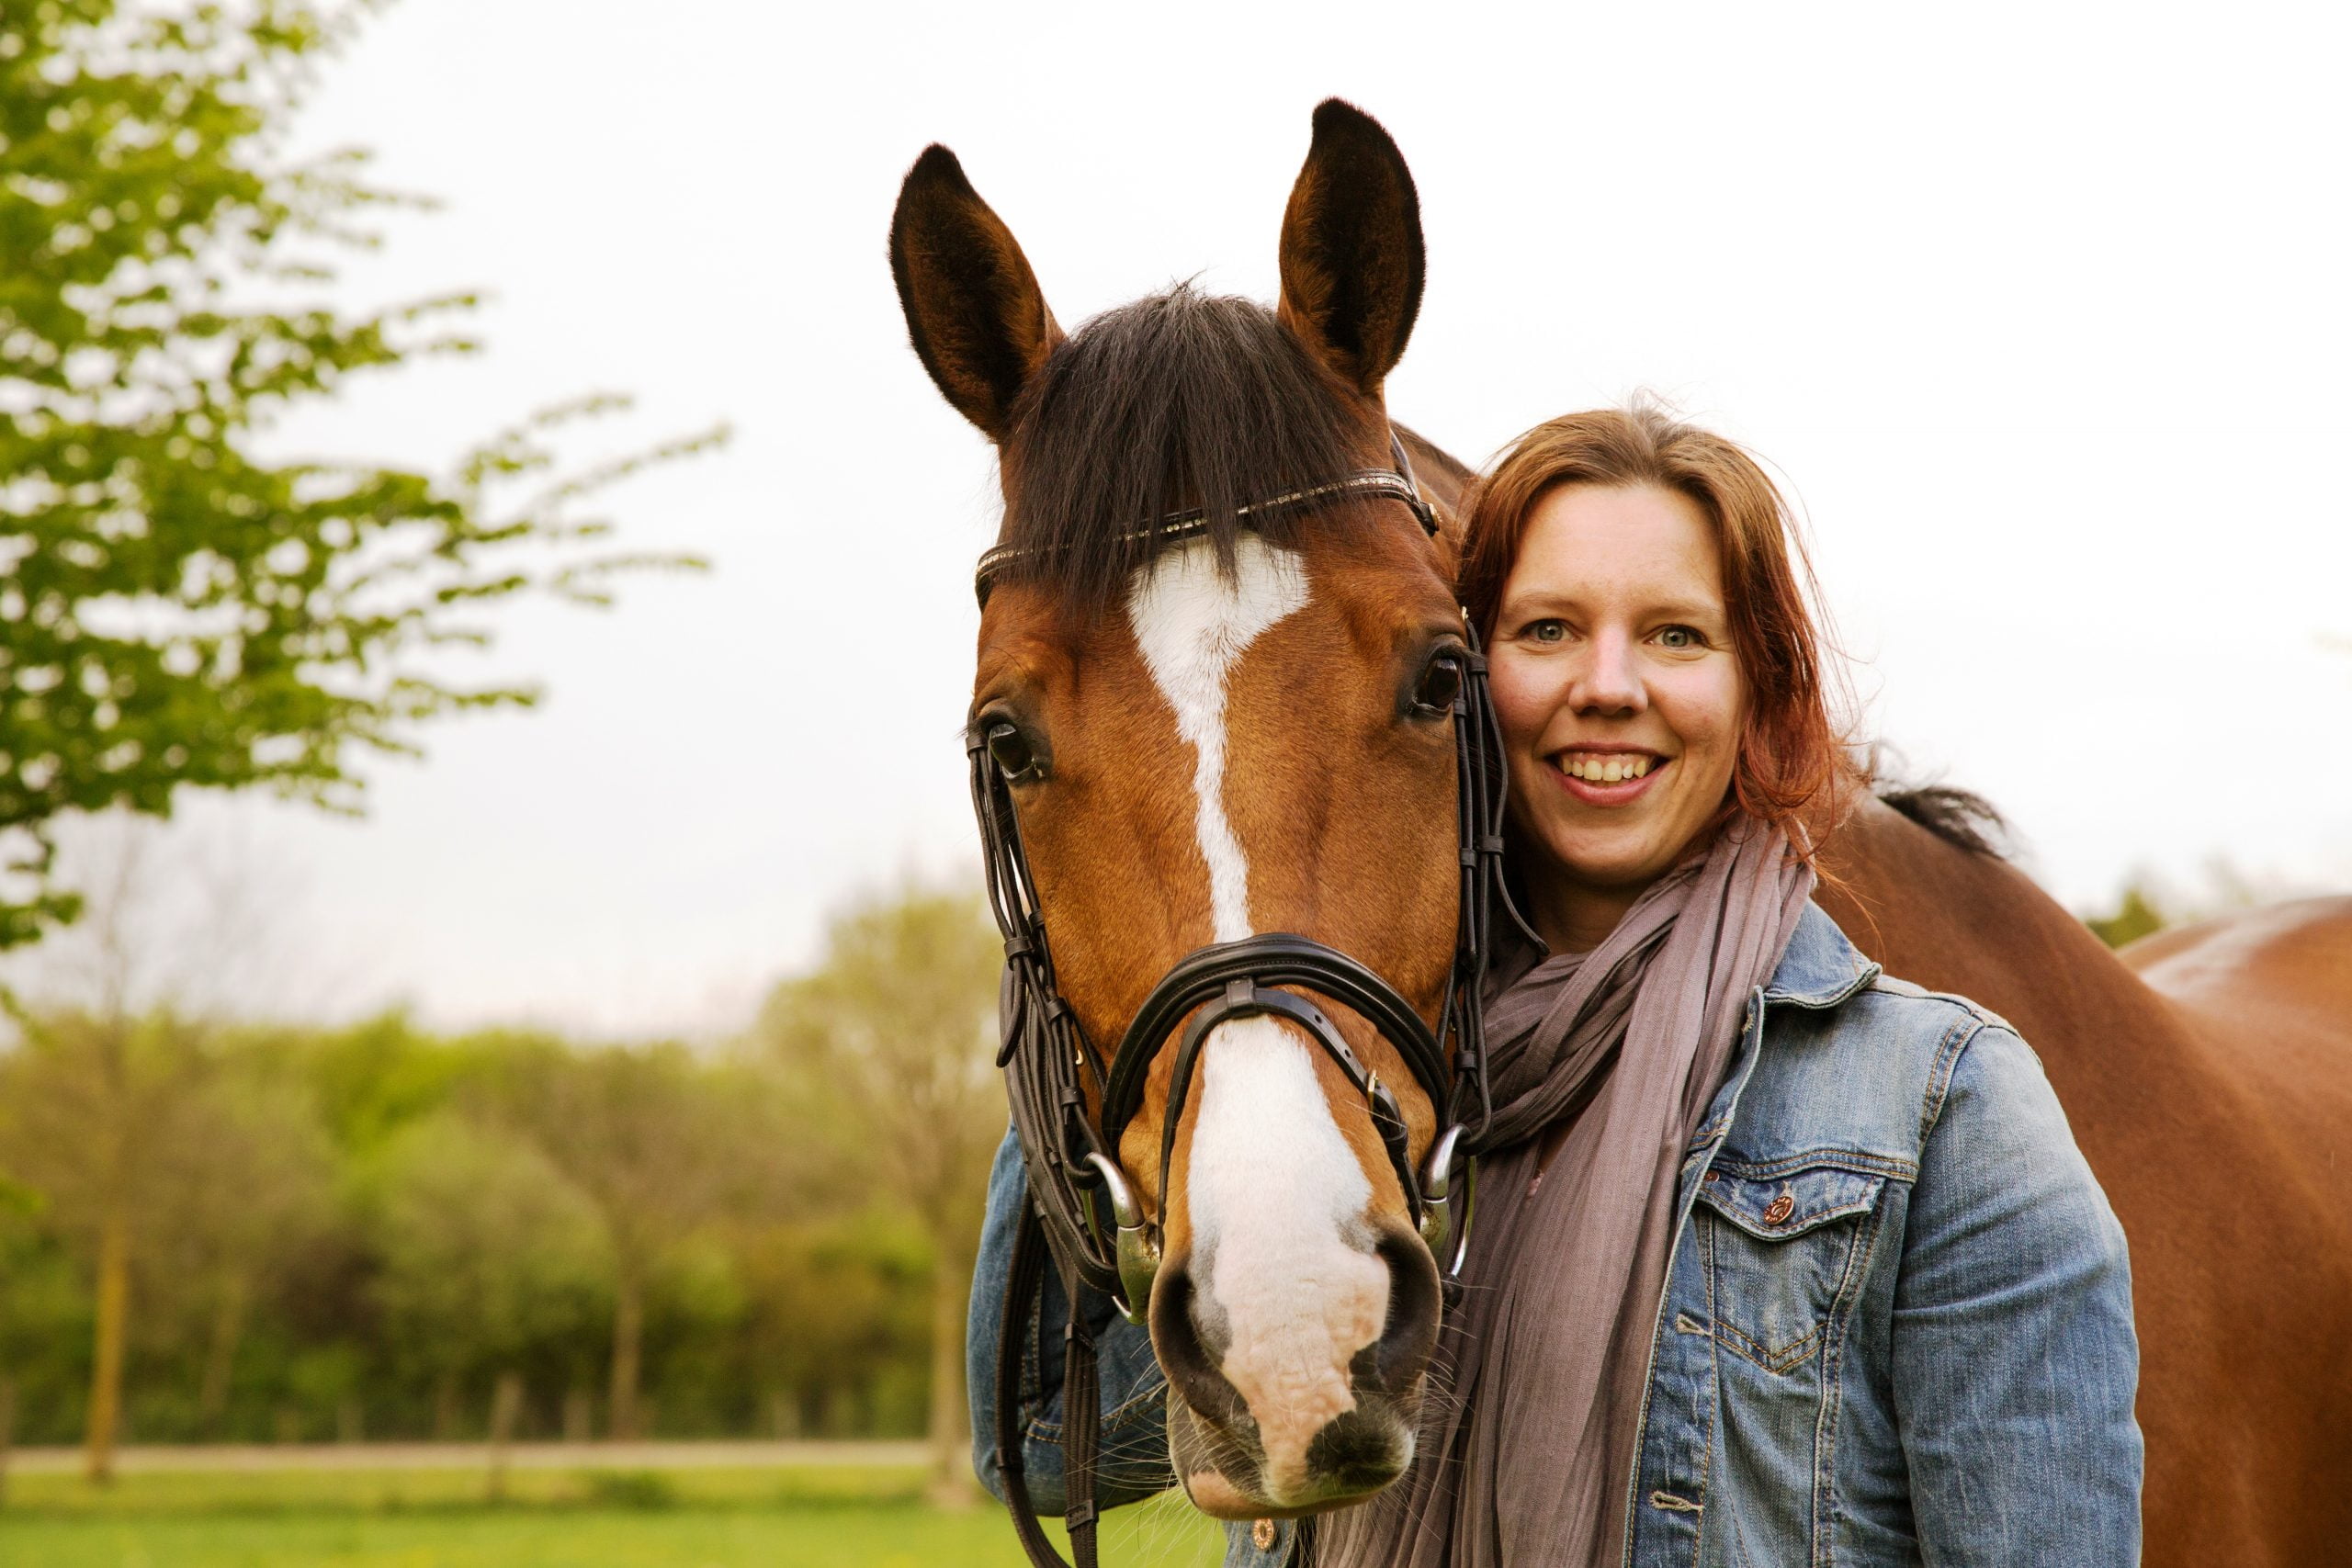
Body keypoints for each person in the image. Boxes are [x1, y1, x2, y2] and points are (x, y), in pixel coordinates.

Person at [967, 404, 2143, 1566]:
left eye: (1678, 637)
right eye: (1546, 631)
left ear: (1756, 692)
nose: (1610, 685)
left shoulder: (1947, 1115)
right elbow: (1040, 1432)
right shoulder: (1355, 1090)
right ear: (1472, 683)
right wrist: (1171, 963)